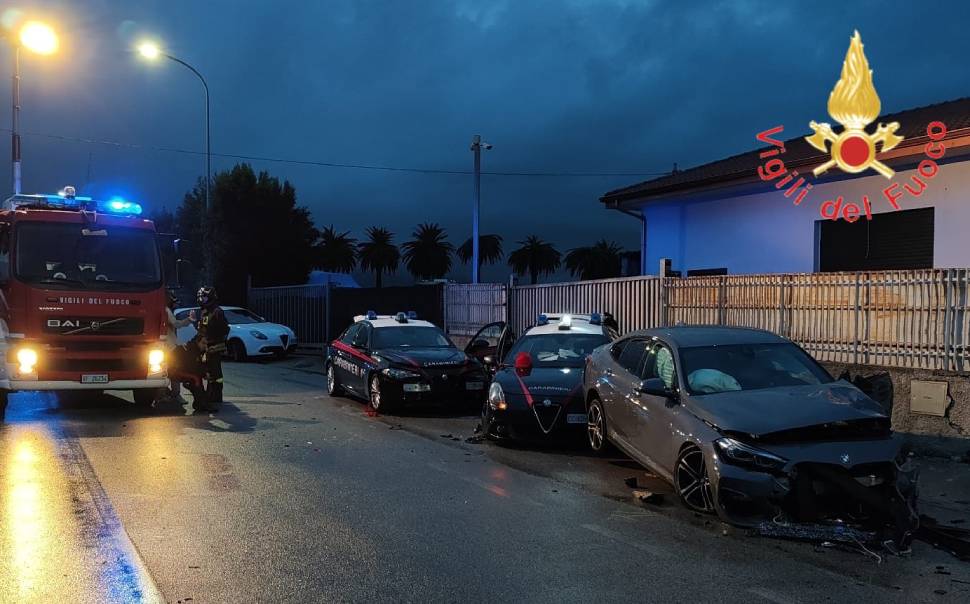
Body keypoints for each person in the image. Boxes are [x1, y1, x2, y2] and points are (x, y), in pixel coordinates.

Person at [196, 286, 229, 411]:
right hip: (206, 346)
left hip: (215, 346)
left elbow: (225, 329)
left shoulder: (217, 311)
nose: (201, 299)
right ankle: (210, 393)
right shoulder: (205, 311)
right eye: (200, 297)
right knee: (208, 371)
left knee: (215, 372)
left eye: (203, 297)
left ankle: (216, 395)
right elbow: (202, 329)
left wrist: (213, 335)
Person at [163, 291, 194, 405]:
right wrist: (189, 319)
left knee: (163, 372)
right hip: (169, 347)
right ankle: (175, 395)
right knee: (174, 370)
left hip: (163, 346)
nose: (175, 305)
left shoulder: (161, 309)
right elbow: (176, 324)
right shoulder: (166, 310)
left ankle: (163, 395)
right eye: (174, 302)